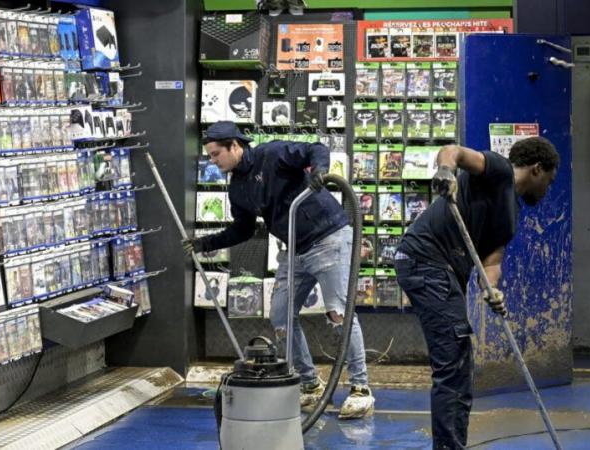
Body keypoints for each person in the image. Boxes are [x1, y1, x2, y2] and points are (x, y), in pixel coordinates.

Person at [183, 121, 375, 419]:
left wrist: (318, 171)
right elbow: (242, 230)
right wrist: (204, 242)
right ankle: (310, 385)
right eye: (209, 155)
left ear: (235, 146)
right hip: (293, 251)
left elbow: (316, 149)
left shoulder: (272, 154)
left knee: (339, 313)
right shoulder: (238, 188)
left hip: (328, 238)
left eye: (216, 154)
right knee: (280, 316)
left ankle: (361, 389)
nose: (213, 161)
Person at [394, 138, 559, 449]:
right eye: (548, 182)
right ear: (538, 169)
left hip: (443, 272)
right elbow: (453, 152)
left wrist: (492, 289)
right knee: (453, 366)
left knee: (459, 367)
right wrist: (445, 172)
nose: (547, 190)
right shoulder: (498, 170)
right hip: (426, 260)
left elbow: (491, 261)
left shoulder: (511, 216)